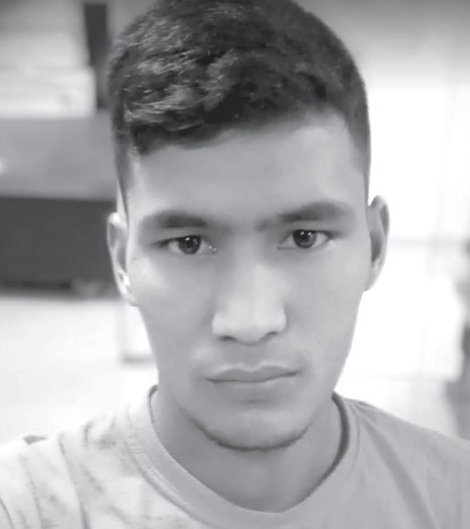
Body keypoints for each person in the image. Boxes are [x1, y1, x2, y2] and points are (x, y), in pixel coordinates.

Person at [1, 0, 469, 527]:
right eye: (189, 244)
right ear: (121, 260)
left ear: (375, 247)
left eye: (305, 238)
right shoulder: (29, 506)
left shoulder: (454, 498)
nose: (250, 322)